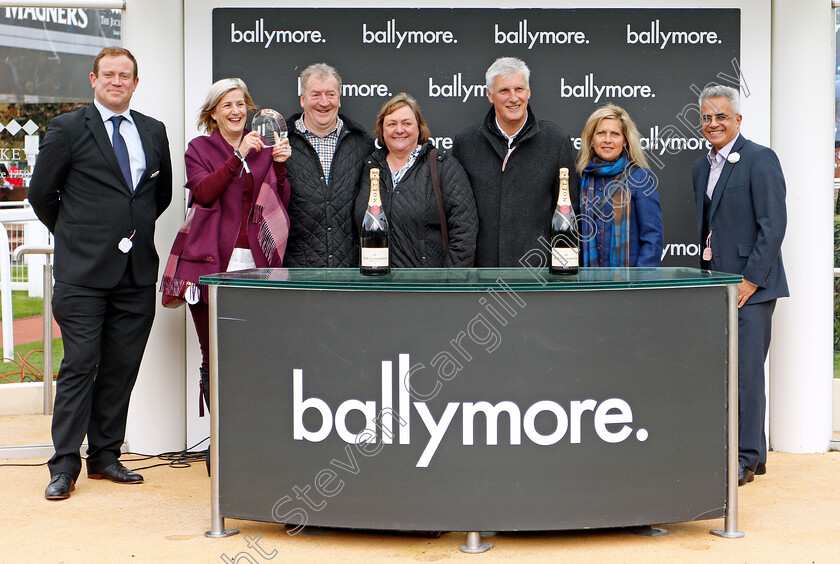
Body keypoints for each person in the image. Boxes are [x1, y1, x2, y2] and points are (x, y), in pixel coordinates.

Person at [28, 47, 173, 500]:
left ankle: (105, 456)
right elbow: (40, 194)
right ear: (93, 79)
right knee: (80, 363)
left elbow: (159, 194)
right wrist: (75, 234)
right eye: (108, 74)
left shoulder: (153, 131)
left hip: (136, 274)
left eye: (124, 75)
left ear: (135, 82)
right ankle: (64, 465)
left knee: (120, 367)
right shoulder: (67, 129)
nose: (116, 81)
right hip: (82, 275)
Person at [162, 78, 291, 456]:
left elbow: (279, 204)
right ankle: (222, 443)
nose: (236, 111)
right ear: (213, 113)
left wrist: (280, 168)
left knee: (256, 348)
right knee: (213, 352)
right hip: (209, 267)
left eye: (240, 104)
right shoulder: (200, 148)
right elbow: (203, 192)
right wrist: (237, 157)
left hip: (255, 264)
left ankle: (254, 438)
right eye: (227, 105)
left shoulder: (263, 148)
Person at [692, 84, 788, 485]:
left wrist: (750, 280)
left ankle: (747, 458)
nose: (713, 124)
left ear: (738, 120)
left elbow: (773, 225)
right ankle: (746, 450)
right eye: (707, 117)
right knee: (723, 372)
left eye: (721, 117)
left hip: (752, 288)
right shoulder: (701, 167)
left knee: (747, 373)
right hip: (717, 286)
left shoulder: (760, 159)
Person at [452, 57, 578, 267]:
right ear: (490, 95)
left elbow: (568, 213)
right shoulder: (466, 142)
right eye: (504, 91)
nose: (513, 98)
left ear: (528, 92)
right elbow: (456, 214)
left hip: (537, 274)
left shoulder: (556, 141)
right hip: (481, 273)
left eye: (519, 89)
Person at [355, 93, 477, 267]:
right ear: (382, 130)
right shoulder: (369, 168)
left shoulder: (443, 166)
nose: (399, 130)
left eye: (406, 123)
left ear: (419, 128)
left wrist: (447, 282)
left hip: (425, 287)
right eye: (391, 124)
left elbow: (465, 231)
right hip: (374, 285)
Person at [284, 63, 375, 267]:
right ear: (302, 99)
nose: (324, 102)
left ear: (339, 100)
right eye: (315, 94)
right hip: (296, 273)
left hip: (350, 273)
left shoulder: (362, 144)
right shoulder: (281, 143)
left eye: (330, 94)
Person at [576, 104, 664, 267]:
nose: (607, 140)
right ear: (591, 139)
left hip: (628, 285)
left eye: (615, 134)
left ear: (625, 140)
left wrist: (638, 283)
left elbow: (653, 238)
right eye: (601, 133)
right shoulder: (580, 179)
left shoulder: (640, 178)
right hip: (586, 285)